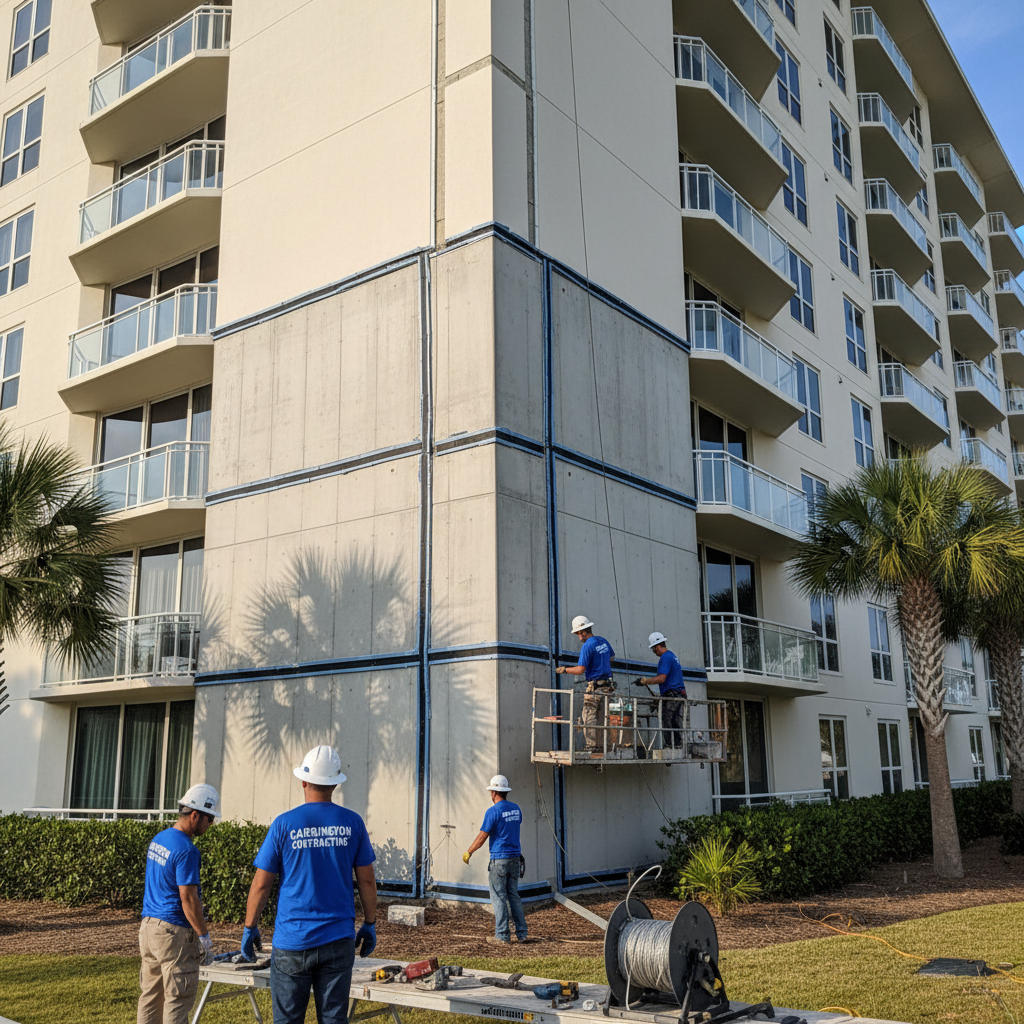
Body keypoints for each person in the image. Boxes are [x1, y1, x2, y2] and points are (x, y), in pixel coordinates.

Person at [240, 745, 377, 1024]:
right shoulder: (353, 823)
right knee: (333, 1019)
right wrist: (370, 923)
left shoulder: (284, 824)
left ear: (303, 781)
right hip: (339, 940)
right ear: (335, 784)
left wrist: (250, 926)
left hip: (293, 941)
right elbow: (366, 879)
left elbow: (261, 885)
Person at [137, 783, 220, 1024]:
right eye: (209, 819)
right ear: (195, 815)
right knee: (177, 999)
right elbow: (189, 899)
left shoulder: (159, 838)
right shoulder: (187, 850)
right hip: (174, 934)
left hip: (149, 928)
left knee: (150, 997)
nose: (210, 825)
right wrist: (204, 936)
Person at [462, 775, 531, 945]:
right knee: (513, 895)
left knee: (499, 897)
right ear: (505, 791)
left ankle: (502, 935)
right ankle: (522, 933)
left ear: (493, 792)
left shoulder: (492, 811)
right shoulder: (516, 809)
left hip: (499, 860)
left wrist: (469, 852)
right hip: (515, 858)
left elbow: (482, 836)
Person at [555, 614, 616, 754]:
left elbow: (580, 669)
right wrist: (600, 663)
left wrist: (565, 670)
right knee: (604, 717)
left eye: (578, 633)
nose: (578, 636)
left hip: (595, 687)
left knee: (589, 717)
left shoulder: (587, 646)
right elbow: (611, 657)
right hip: (608, 687)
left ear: (582, 632)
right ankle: (603, 746)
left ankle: (592, 747)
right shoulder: (603, 641)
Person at [636, 631, 688, 749]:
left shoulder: (665, 658)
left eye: (653, 649)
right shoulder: (673, 656)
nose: (654, 652)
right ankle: (677, 744)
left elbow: (662, 678)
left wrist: (645, 681)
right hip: (678, 694)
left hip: (673, 694)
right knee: (675, 720)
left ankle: (670, 745)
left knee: (666, 718)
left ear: (657, 646)